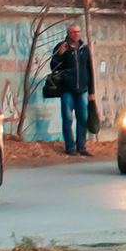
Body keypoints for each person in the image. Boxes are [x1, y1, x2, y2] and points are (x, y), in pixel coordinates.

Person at [49, 25, 94, 157]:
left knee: (83, 118)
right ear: (68, 33)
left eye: (77, 32)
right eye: (73, 32)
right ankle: (70, 146)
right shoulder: (61, 47)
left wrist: (91, 91)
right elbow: (53, 67)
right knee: (68, 118)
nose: (75, 34)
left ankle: (82, 147)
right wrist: (59, 55)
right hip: (67, 89)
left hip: (83, 89)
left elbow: (89, 69)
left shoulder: (84, 49)